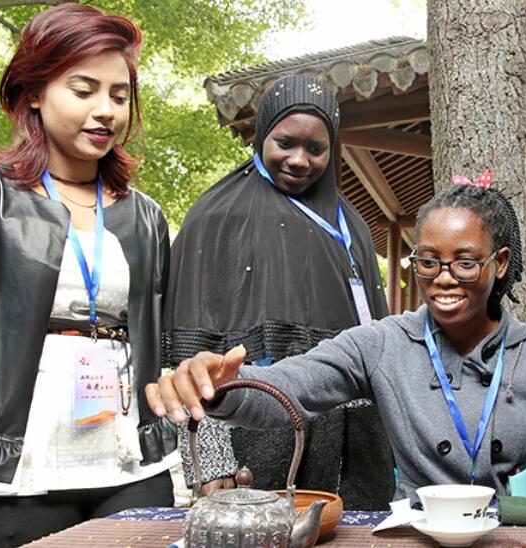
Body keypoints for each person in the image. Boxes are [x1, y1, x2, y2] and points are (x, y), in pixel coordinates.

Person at [149, 179, 526, 509]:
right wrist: (223, 385)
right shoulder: (384, 343)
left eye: (466, 263)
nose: (444, 279)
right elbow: (293, 386)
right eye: (428, 262)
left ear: (500, 263)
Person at [0, 4, 177, 546]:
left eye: (119, 94)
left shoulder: (145, 215)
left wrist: (210, 457)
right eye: (83, 90)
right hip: (13, 469)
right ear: (34, 92)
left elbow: (169, 342)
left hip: (128, 464)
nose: (105, 110)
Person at [163, 74, 394, 509]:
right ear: (262, 134)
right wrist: (209, 462)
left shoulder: (352, 226)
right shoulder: (217, 217)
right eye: (285, 142)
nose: (299, 159)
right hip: (251, 430)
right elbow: (189, 353)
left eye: (316, 148)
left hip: (350, 439)